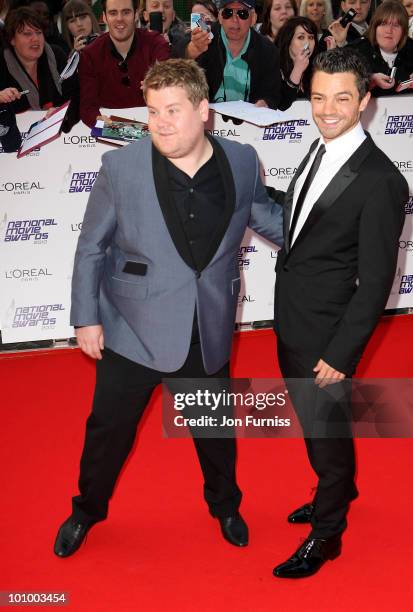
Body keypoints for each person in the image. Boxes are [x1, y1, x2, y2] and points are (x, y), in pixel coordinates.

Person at [53, 58, 284, 558]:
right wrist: (85, 317)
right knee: (108, 433)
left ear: (203, 111)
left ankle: (224, 505)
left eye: (172, 110)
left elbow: (269, 219)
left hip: (207, 323)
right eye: (153, 110)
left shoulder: (242, 160)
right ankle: (86, 510)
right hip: (132, 326)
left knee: (214, 431)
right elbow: (91, 246)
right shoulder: (121, 167)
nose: (159, 122)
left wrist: (331, 244)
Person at [272, 47, 407, 578]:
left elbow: (376, 283)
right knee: (315, 425)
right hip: (294, 318)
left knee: (325, 433)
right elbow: (304, 223)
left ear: (365, 101)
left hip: (328, 336)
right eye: (319, 96)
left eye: (342, 98)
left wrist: (342, 353)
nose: (327, 109)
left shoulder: (382, 181)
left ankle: (327, 534)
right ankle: (341, 488)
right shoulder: (319, 148)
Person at [173, 0, 281, 108]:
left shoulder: (268, 51)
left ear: (253, 18)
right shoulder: (206, 36)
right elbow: (175, 56)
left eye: (242, 14)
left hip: (248, 122)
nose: (234, 20)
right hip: (208, 119)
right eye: (227, 13)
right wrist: (191, 50)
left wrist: (266, 103)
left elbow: (272, 94)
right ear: (220, 17)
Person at [78, 0, 170, 128]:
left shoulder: (155, 42)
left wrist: (160, 78)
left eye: (126, 12)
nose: (119, 19)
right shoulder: (90, 54)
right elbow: (87, 107)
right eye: (113, 13)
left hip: (154, 126)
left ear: (136, 14)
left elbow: (166, 70)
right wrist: (99, 122)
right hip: (109, 133)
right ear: (104, 17)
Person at [0, 7, 77, 128]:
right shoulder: (2, 62)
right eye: (27, 34)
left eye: (39, 32)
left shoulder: (56, 54)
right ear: (12, 39)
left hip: (61, 128)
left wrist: (61, 111)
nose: (35, 39)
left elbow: (75, 93)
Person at [351, 0, 413, 96]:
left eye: (396, 25)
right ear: (375, 27)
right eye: (383, 24)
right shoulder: (357, 50)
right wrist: (370, 79)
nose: (389, 30)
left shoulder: (410, 47)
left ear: (403, 31)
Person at [275, 15, 318, 109]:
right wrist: (297, 70)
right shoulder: (273, 67)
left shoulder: (316, 67)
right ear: (288, 40)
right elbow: (282, 106)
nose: (307, 43)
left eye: (311, 38)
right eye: (301, 37)